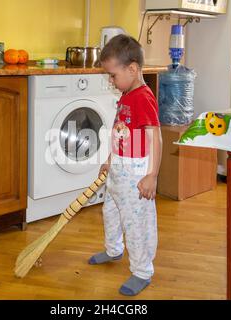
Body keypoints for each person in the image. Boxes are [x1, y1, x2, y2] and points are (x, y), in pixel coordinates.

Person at [88, 34, 162, 296]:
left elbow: (155, 137)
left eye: (113, 75)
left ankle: (142, 270)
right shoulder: (127, 93)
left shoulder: (143, 97)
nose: (111, 81)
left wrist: (152, 175)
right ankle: (113, 249)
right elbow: (122, 133)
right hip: (119, 169)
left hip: (136, 173)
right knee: (111, 212)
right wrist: (110, 160)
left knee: (135, 221)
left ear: (132, 69)